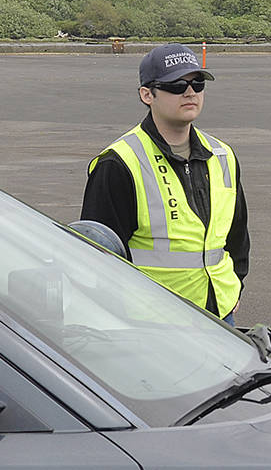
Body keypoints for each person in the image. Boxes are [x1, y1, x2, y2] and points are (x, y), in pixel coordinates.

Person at [82, 43, 249, 324]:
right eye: (175, 86)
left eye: (197, 84)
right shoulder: (119, 163)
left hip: (220, 314)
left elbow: (237, 237)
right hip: (151, 322)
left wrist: (235, 287)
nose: (190, 93)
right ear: (147, 94)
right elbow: (99, 254)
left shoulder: (222, 155)